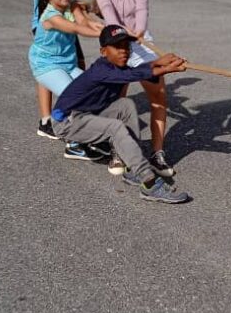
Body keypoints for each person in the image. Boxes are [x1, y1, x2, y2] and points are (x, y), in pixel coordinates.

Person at [51, 26, 191, 203]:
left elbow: (134, 72)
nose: (124, 51)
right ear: (103, 52)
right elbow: (133, 75)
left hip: (86, 114)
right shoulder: (102, 70)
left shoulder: (116, 67)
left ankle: (133, 169)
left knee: (125, 105)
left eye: (126, 46)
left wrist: (158, 62)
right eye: (117, 47)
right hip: (67, 121)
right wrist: (165, 68)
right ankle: (149, 183)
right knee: (115, 127)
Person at [95, 0, 174, 176]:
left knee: (159, 96)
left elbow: (142, 11)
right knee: (118, 99)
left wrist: (138, 31)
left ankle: (157, 153)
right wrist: (123, 34)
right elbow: (108, 13)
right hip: (116, 42)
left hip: (140, 41)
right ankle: (118, 150)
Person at [31, 0, 103, 158]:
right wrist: (76, 9)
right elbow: (58, 1)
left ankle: (53, 119)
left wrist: (86, 14)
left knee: (73, 73)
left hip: (61, 25)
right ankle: (62, 126)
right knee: (59, 75)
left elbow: (72, 7)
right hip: (50, 24)